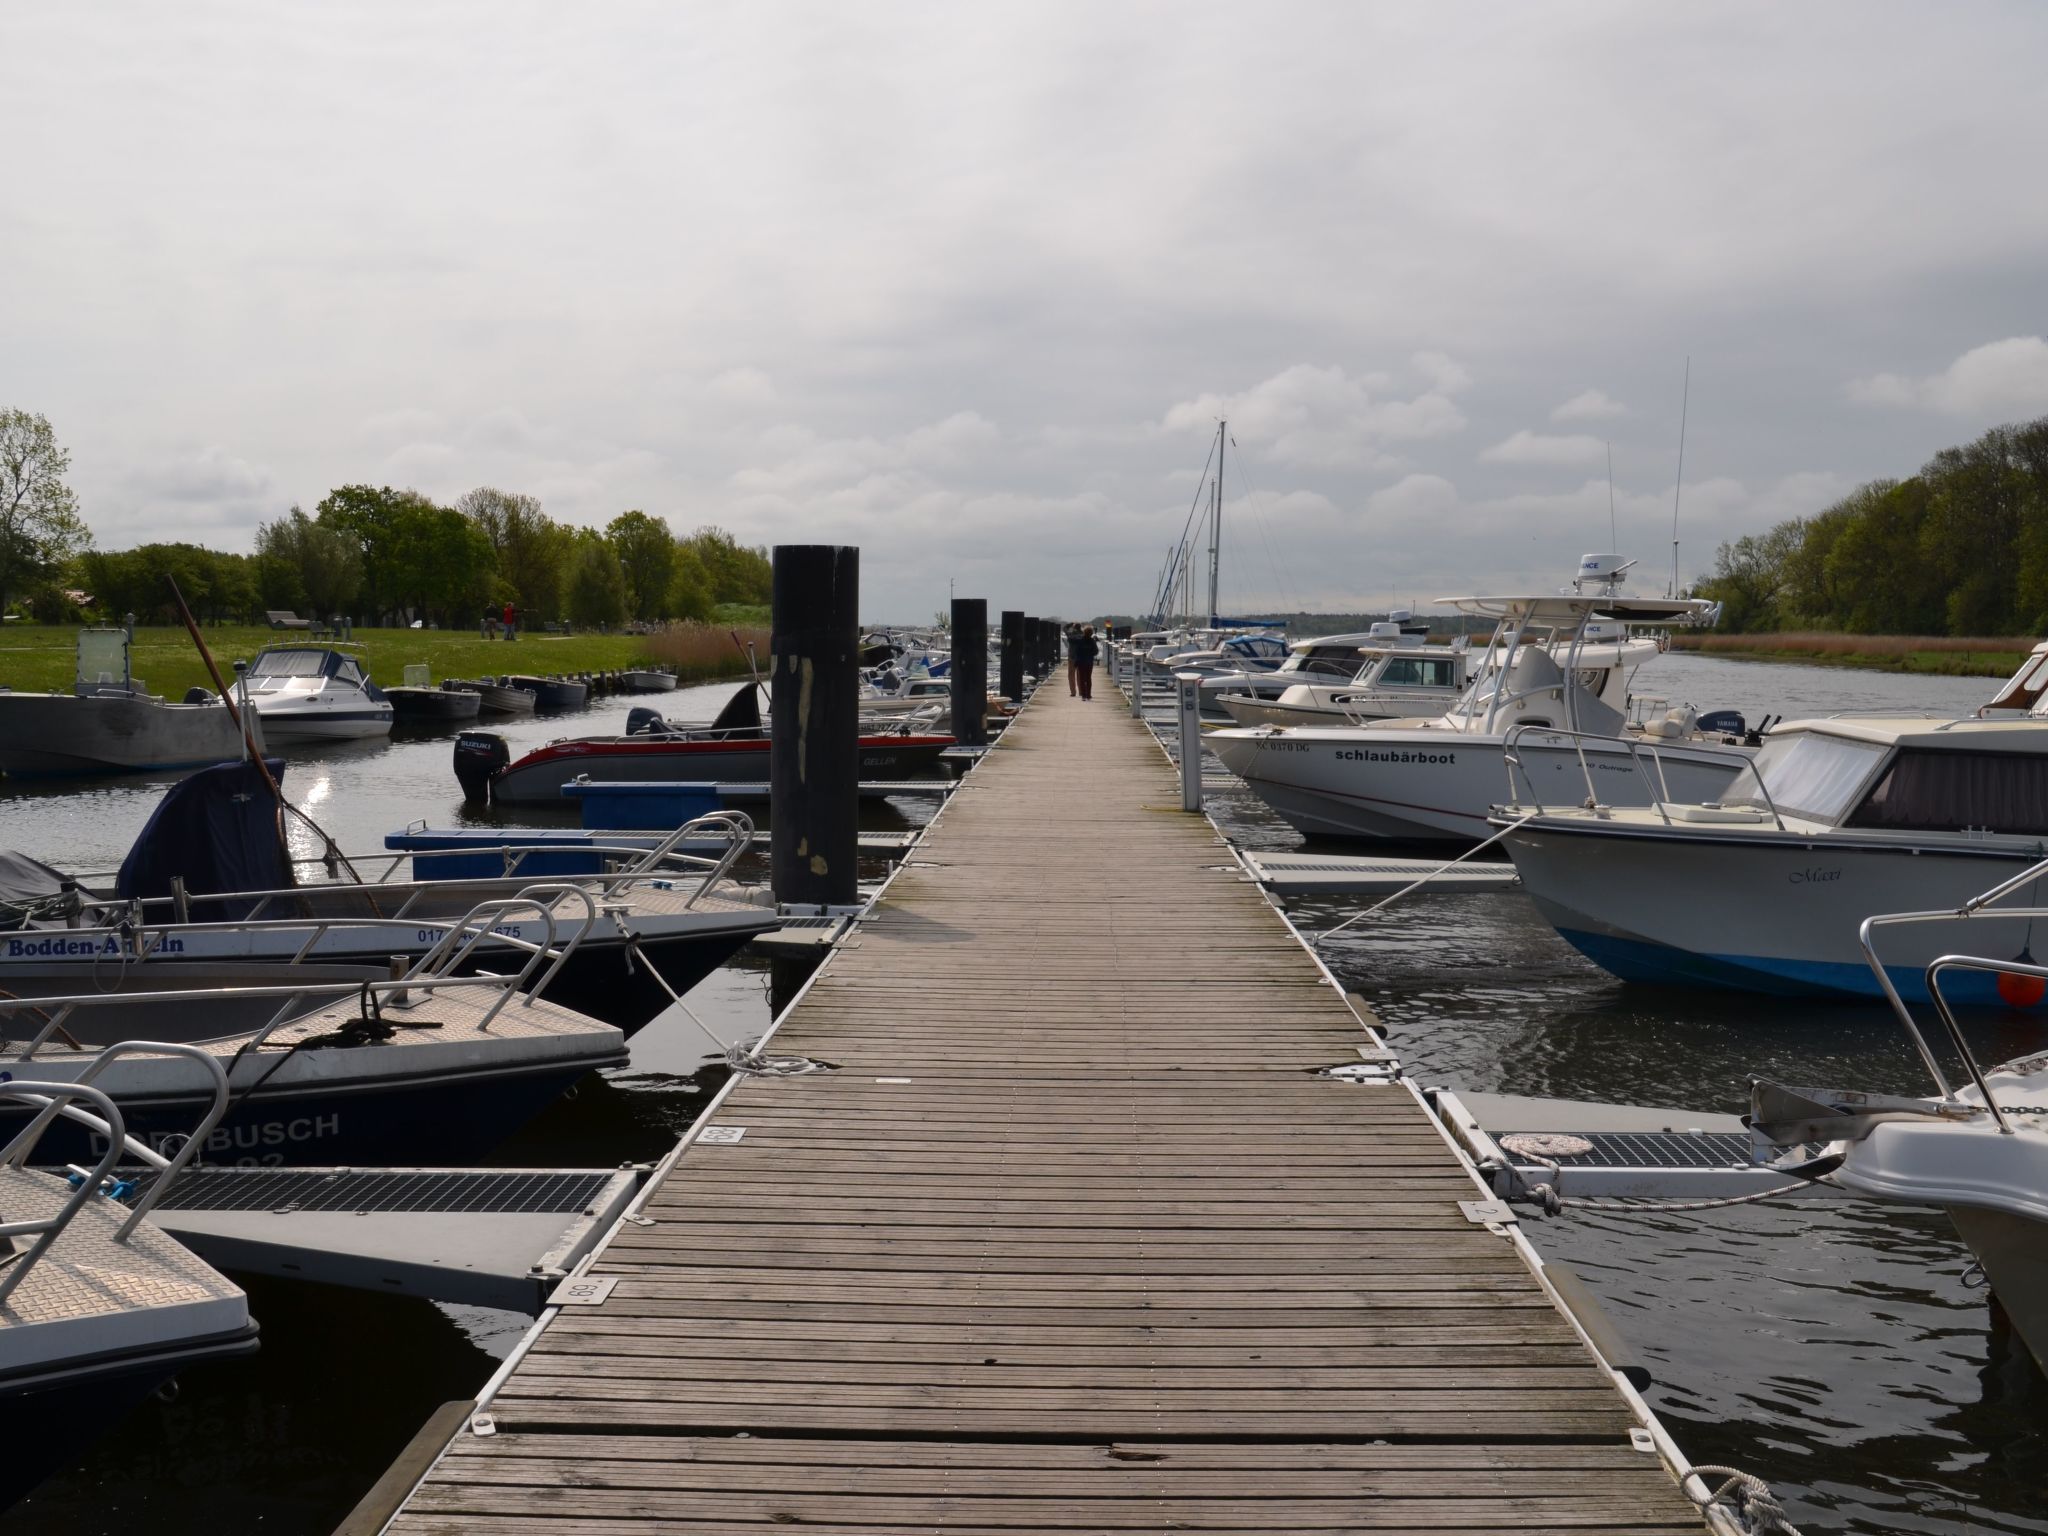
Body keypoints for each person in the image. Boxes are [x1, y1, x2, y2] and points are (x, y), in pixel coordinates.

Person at [1072, 624, 1099, 700]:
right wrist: (1090, 653)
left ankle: (1083, 695)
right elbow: (1096, 651)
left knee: (1082, 678)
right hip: (1089, 662)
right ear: (1091, 633)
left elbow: (1077, 651)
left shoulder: (1080, 641)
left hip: (1081, 662)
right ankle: (1088, 695)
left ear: (1084, 632)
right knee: (1088, 678)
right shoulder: (1092, 641)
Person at [1066, 623, 1082, 696]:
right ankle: (1081, 692)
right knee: (1080, 675)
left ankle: (1073, 692)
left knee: (1071, 675)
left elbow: (1064, 628)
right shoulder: (1083, 635)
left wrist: (1070, 624)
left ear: (1074, 628)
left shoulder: (1070, 634)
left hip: (1071, 657)